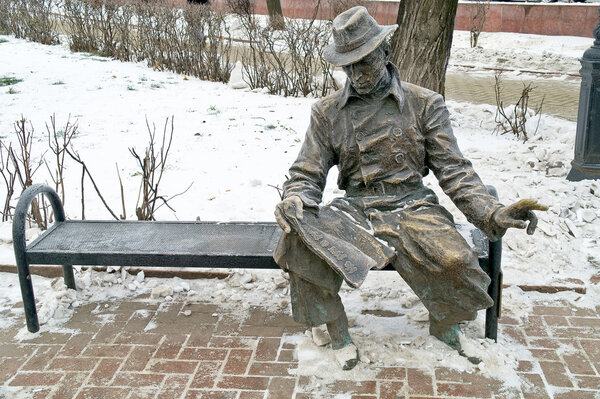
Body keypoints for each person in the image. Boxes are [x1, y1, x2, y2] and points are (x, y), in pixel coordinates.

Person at [273, 6, 546, 370]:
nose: (357, 74)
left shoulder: (425, 103)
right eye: (348, 66)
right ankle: (336, 328)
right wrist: (295, 198)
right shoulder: (327, 112)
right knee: (300, 243)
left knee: (455, 260)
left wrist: (492, 212)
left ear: (385, 53)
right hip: (356, 208)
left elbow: (455, 171)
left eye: (364, 62)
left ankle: (446, 325)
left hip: (412, 205)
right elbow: (307, 172)